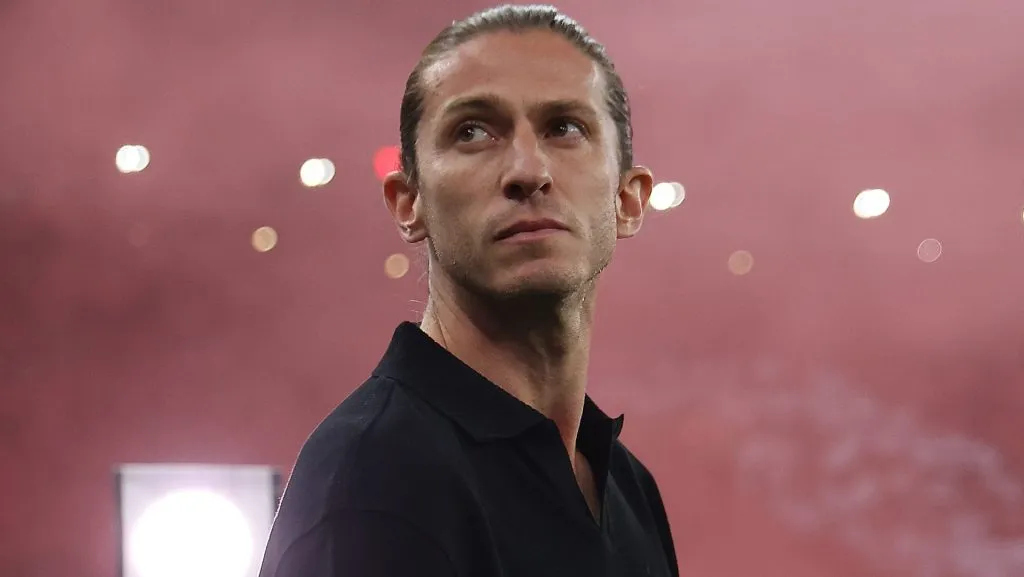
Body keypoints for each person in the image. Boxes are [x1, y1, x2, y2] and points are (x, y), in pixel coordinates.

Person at [258, 4, 678, 576]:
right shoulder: (374, 478)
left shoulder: (629, 488)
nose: (528, 171)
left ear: (629, 200)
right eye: (473, 131)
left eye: (565, 127)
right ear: (409, 204)